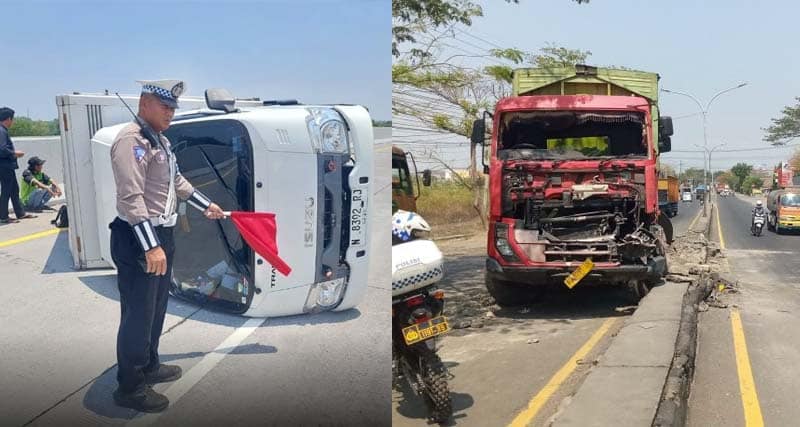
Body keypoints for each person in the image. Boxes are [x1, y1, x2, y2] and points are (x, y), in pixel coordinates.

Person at [109, 80, 225, 412]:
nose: (171, 113)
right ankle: (130, 387)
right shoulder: (131, 140)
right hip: (139, 239)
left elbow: (176, 182)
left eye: (174, 107)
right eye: (165, 106)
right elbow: (131, 197)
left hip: (162, 235)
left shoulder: (160, 140)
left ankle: (149, 365)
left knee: (156, 308)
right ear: (145, 103)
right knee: (138, 315)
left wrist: (206, 205)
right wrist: (151, 246)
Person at [0, 107, 36, 223]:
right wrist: (15, 153)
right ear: (8, 119)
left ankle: (20, 213)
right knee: (6, 191)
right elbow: (2, 149)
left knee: (14, 190)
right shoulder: (1, 131)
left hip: (6, 166)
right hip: (4, 166)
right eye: (12, 119)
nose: (12, 122)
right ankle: (3, 217)